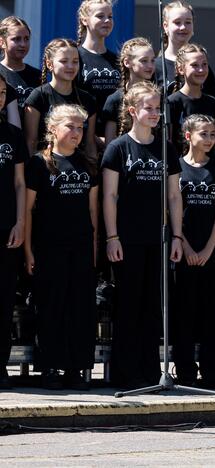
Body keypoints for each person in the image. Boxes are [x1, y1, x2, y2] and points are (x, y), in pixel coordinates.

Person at [101, 81, 184, 388]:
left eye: (157, 108)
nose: (155, 113)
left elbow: (175, 196)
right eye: (148, 108)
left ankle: (151, 372)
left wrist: (177, 236)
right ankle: (125, 373)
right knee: (129, 305)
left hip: (158, 239)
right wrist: (112, 238)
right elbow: (109, 196)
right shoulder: (118, 148)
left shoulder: (166, 147)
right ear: (133, 111)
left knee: (152, 307)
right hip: (127, 239)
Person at [23, 104, 98, 390]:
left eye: (81, 128)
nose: (77, 133)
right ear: (52, 129)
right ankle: (50, 367)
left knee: (80, 308)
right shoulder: (38, 164)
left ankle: (75, 367)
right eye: (71, 126)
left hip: (80, 247)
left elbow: (93, 212)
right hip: (48, 247)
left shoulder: (87, 165)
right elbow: (28, 210)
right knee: (51, 307)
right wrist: (28, 251)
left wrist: (94, 249)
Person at [173, 114, 215, 390]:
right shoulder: (177, 168)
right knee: (184, 314)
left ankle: (213, 373)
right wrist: (183, 244)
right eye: (203, 134)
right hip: (183, 251)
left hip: (211, 252)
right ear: (188, 136)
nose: (209, 139)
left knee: (209, 314)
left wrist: (208, 249)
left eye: (211, 134)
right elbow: (170, 208)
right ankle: (184, 371)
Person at [24, 39, 97, 162]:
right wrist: (33, 172)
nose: (70, 66)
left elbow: (90, 143)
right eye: (64, 61)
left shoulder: (87, 99)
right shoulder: (38, 96)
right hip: (47, 168)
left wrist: (93, 170)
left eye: (75, 62)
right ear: (49, 64)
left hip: (78, 169)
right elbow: (31, 141)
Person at [0, 74, 27, 389]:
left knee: (5, 299)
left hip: (7, 228)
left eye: (3, 92)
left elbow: (20, 184)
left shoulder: (13, 134)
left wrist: (20, 222)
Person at [155, 1, 215, 105]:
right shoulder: (155, 67)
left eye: (188, 22)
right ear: (165, 26)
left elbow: (213, 108)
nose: (183, 27)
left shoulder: (202, 66)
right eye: (177, 22)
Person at [167, 43, 215, 161]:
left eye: (204, 65)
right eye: (194, 65)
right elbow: (169, 144)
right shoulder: (171, 103)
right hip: (182, 172)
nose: (201, 70)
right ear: (180, 69)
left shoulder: (213, 103)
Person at [75, 0, 120, 139]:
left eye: (110, 16)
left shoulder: (118, 60)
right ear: (84, 20)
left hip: (114, 138)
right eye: (100, 16)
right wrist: (92, 138)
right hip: (82, 137)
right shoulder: (75, 57)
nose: (107, 20)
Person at [102, 37, 155, 144]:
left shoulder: (157, 97)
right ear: (127, 62)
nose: (150, 65)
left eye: (152, 60)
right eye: (144, 61)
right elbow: (110, 142)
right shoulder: (115, 99)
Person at [0, 16, 38, 128]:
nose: (23, 44)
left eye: (26, 39)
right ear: (2, 42)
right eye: (16, 39)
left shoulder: (38, 76)